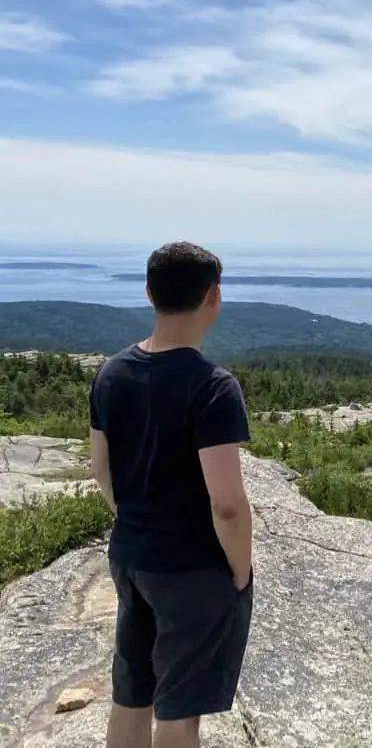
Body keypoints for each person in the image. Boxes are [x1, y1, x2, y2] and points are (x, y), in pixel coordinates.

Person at [89, 242, 254, 748]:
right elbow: (226, 503)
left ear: (149, 293)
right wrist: (241, 570)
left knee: (131, 692)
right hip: (191, 569)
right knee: (180, 712)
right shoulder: (212, 386)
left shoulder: (111, 373)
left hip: (131, 555)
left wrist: (137, 521)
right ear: (214, 297)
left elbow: (100, 470)